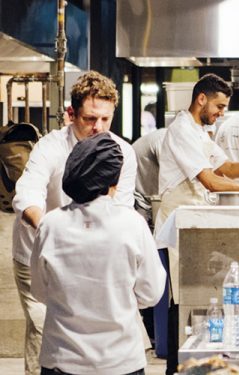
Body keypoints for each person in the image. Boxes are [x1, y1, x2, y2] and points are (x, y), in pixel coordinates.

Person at [11, 71, 138, 375]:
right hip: (38, 252)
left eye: (106, 119)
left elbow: (120, 208)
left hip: (95, 254)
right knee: (45, 326)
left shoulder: (123, 153)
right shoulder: (50, 147)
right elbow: (27, 194)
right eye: (90, 119)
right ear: (71, 114)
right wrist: (51, 232)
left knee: (88, 335)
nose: (99, 128)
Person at [155, 73, 239, 375]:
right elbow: (210, 181)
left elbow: (227, 168)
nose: (222, 113)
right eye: (219, 107)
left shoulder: (201, 132)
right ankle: (176, 367)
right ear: (201, 99)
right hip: (177, 223)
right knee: (180, 301)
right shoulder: (181, 130)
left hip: (195, 222)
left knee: (195, 294)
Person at [31, 133, 166, 375]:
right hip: (121, 361)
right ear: (113, 182)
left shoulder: (50, 224)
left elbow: (40, 291)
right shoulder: (132, 224)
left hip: (61, 361)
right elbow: (151, 293)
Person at [133, 128, 166, 230]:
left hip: (148, 199)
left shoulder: (166, 136)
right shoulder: (164, 139)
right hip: (138, 200)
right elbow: (171, 176)